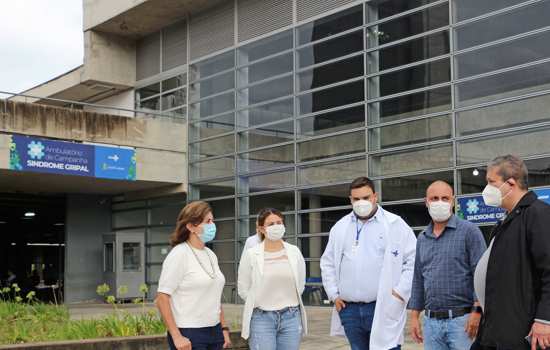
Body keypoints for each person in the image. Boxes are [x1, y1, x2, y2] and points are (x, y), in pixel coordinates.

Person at [320, 176, 417, 350]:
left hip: (383, 307)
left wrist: (399, 294)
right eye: (356, 199)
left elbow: (412, 261)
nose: (361, 202)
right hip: (349, 310)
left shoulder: (395, 224)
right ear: (350, 200)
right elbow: (327, 263)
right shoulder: (340, 227)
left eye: (365, 197)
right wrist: (334, 294)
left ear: (375, 197)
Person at [473, 155, 550, 350]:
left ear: (510, 183)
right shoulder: (506, 221)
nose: (486, 189)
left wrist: (544, 319)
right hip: (496, 329)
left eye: (491, 182)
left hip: (522, 332)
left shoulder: (537, 214)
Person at [408, 181, 487, 350]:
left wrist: (477, 312)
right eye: (434, 198)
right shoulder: (422, 237)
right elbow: (418, 278)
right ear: (426, 202)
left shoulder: (469, 231)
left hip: (462, 321)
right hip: (431, 324)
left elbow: (482, 275)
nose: (439, 202)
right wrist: (414, 316)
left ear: (453, 201)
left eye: (445, 198)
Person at [156, 201, 232, 350]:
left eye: (212, 220)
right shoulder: (179, 254)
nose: (212, 225)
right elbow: (162, 298)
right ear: (190, 226)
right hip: (189, 332)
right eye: (207, 221)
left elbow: (215, 296)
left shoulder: (211, 255)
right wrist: (177, 337)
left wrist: (224, 329)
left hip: (215, 331)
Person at [238, 208, 308, 350]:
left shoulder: (294, 252)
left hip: (291, 317)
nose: (276, 226)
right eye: (271, 224)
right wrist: (261, 303)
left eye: (279, 222)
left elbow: (300, 285)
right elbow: (243, 289)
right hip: (262, 318)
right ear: (261, 229)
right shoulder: (252, 254)